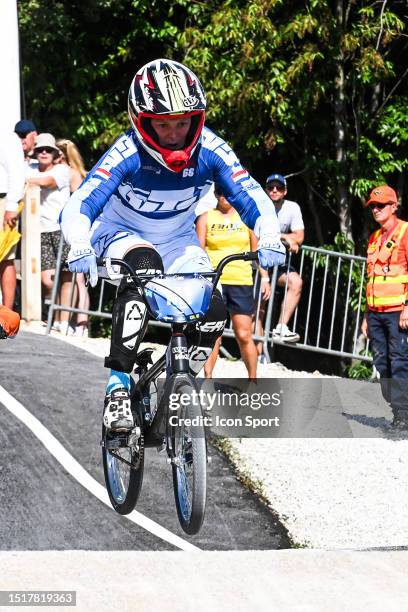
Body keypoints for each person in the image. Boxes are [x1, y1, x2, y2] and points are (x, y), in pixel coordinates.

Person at [61, 58, 285, 433]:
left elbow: (249, 194)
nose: (174, 133)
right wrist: (80, 241)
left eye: (183, 122)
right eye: (162, 124)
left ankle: (179, 382)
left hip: (177, 239)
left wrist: (269, 232)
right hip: (119, 233)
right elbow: (82, 202)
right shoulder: (126, 152)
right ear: (141, 121)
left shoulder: (211, 148)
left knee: (213, 309)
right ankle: (118, 387)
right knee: (143, 264)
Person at [196, 184, 271, 379]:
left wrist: (265, 277)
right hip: (214, 282)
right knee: (214, 335)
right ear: (215, 194)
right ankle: (208, 380)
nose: (224, 196)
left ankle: (253, 380)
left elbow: (257, 253)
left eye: (227, 192)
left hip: (241, 280)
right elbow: (198, 250)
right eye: (220, 192)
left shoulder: (246, 218)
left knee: (244, 334)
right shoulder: (206, 217)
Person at [361, 185, 408, 429]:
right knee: (382, 363)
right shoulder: (375, 238)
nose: (376, 210)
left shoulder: (406, 232)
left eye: (381, 206)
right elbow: (372, 277)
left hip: (398, 312)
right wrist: (366, 315)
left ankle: (402, 414)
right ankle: (400, 406)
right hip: (376, 312)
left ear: (393, 206)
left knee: (399, 360)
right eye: (373, 206)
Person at [26, 133, 72, 332]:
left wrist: (25, 178)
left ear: (55, 154)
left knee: (66, 276)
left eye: (48, 150)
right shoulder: (31, 168)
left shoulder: (62, 170)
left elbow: (47, 182)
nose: (44, 153)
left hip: (62, 228)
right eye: (40, 150)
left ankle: (64, 321)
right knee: (47, 279)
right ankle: (52, 315)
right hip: (41, 230)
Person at [255, 173, 304, 355]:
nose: (274, 191)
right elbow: (255, 237)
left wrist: (283, 237)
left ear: (285, 191)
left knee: (296, 282)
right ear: (265, 190)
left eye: (279, 187)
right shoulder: (258, 206)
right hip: (258, 262)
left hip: (278, 263)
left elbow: (299, 237)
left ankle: (281, 327)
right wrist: (284, 239)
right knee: (259, 309)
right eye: (270, 187)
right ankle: (259, 354)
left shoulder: (292, 208)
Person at [56, 138, 89, 337]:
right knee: (78, 279)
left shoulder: (70, 173)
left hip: (74, 229)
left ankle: (81, 324)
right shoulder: (78, 172)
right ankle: (79, 323)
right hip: (78, 227)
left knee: (78, 278)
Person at [0, 130, 26, 309]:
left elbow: (17, 173)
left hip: (2, 202)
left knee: (5, 258)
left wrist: (11, 207)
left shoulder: (7, 138)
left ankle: (6, 315)